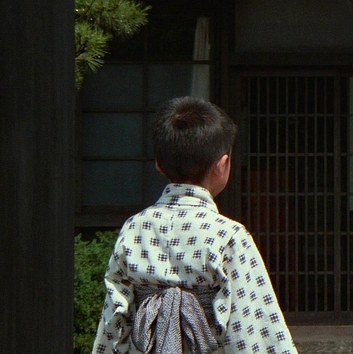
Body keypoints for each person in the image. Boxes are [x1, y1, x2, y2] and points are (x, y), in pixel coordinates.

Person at [92, 96, 297, 354]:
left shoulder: (134, 228)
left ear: (158, 164)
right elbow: (253, 331)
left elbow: (113, 322)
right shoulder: (228, 235)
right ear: (222, 165)